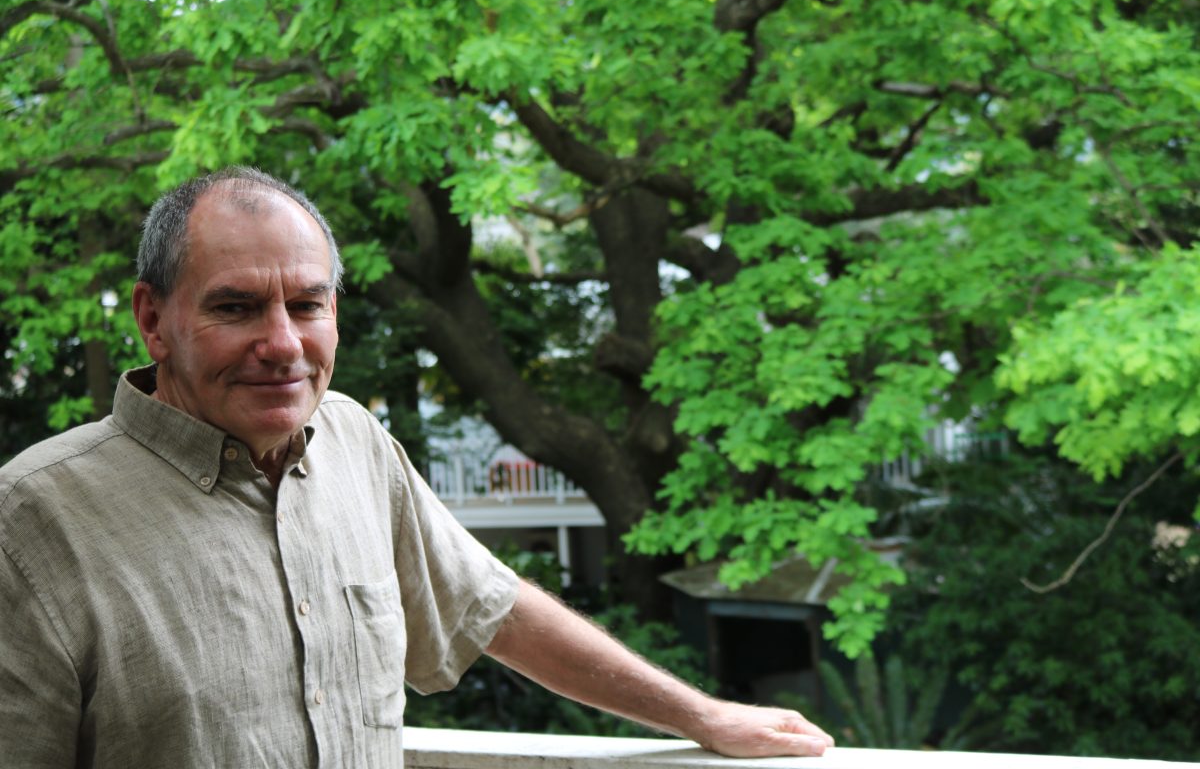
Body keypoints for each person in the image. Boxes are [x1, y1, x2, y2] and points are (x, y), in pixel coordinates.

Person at [0, 167, 833, 768]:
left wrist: (703, 714)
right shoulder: (33, 520)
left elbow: (493, 610)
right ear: (154, 319)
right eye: (235, 306)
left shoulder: (353, 445)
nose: (283, 344)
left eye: (307, 304)